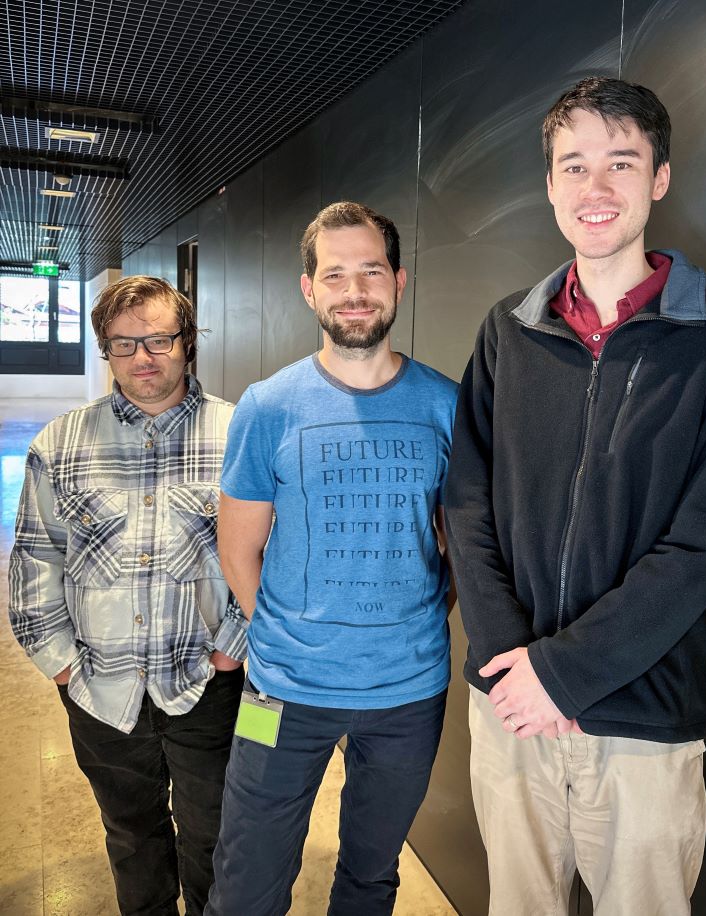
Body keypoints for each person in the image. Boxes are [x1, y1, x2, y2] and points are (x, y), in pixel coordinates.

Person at [444, 77, 706, 915]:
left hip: (644, 716)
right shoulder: (507, 330)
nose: (595, 189)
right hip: (509, 702)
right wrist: (515, 662)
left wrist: (567, 671)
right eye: (574, 165)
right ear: (549, 183)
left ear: (659, 177)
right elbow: (467, 504)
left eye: (621, 163)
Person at [205, 201, 458, 916]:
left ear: (399, 282)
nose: (354, 290)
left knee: (372, 878)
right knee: (247, 881)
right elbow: (238, 546)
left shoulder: (446, 405)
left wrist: (412, 623)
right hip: (281, 692)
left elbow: (461, 546)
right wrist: (283, 638)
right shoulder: (269, 406)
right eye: (335, 273)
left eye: (371, 271)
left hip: (408, 696)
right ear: (309, 289)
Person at [9, 276, 248, 916]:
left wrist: (230, 651)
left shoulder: (241, 434)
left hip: (209, 687)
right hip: (99, 692)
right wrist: (63, 666)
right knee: (132, 838)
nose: (143, 357)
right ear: (105, 352)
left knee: (214, 836)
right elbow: (35, 564)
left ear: (188, 342)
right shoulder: (59, 445)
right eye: (123, 344)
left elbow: (271, 559)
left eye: (159, 339)